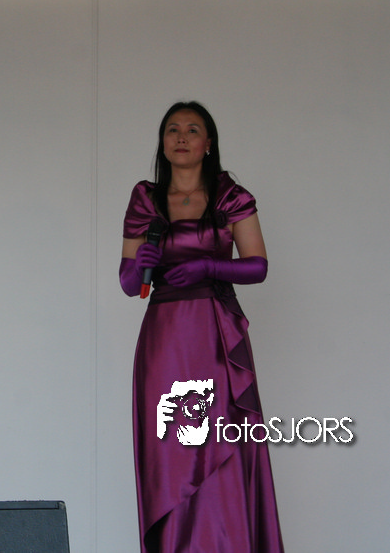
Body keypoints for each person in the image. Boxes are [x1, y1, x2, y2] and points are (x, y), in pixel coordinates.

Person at [119, 101, 283, 552]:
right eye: (172, 129)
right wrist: (140, 263)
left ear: (208, 143)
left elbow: (258, 265)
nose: (182, 137)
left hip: (213, 335)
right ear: (162, 142)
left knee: (219, 442)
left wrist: (209, 267)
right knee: (171, 449)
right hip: (165, 339)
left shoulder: (230, 196)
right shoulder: (145, 199)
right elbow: (130, 284)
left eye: (193, 129)